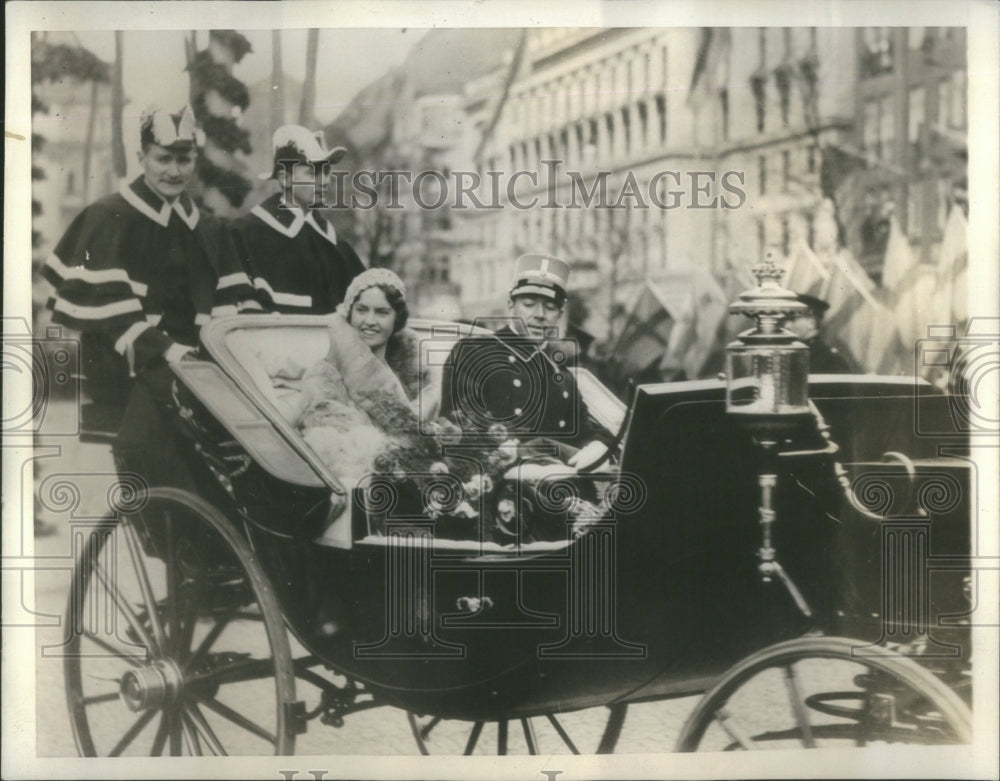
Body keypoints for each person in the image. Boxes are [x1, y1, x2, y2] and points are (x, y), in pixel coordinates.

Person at [42, 105, 258, 485]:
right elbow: (114, 320)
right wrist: (171, 352)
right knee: (162, 446)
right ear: (142, 157)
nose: (174, 171)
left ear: (195, 159)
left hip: (196, 367)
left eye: (184, 159)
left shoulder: (207, 227)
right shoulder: (110, 218)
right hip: (130, 368)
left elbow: (226, 306)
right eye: (163, 159)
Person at [439, 253, 613, 472]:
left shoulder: (562, 376)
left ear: (560, 314)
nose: (539, 315)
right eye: (529, 304)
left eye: (550, 307)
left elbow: (584, 433)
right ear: (511, 304)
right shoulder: (474, 353)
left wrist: (597, 446)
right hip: (493, 483)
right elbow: (457, 427)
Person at [229, 125, 366, 314]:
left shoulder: (335, 243)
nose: (324, 181)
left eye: (326, 171)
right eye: (312, 172)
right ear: (285, 179)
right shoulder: (247, 233)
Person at [787, 293, 859, 374]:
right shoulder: (792, 353)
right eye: (785, 320)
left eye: (793, 320)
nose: (787, 325)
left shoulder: (829, 360)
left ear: (811, 323)